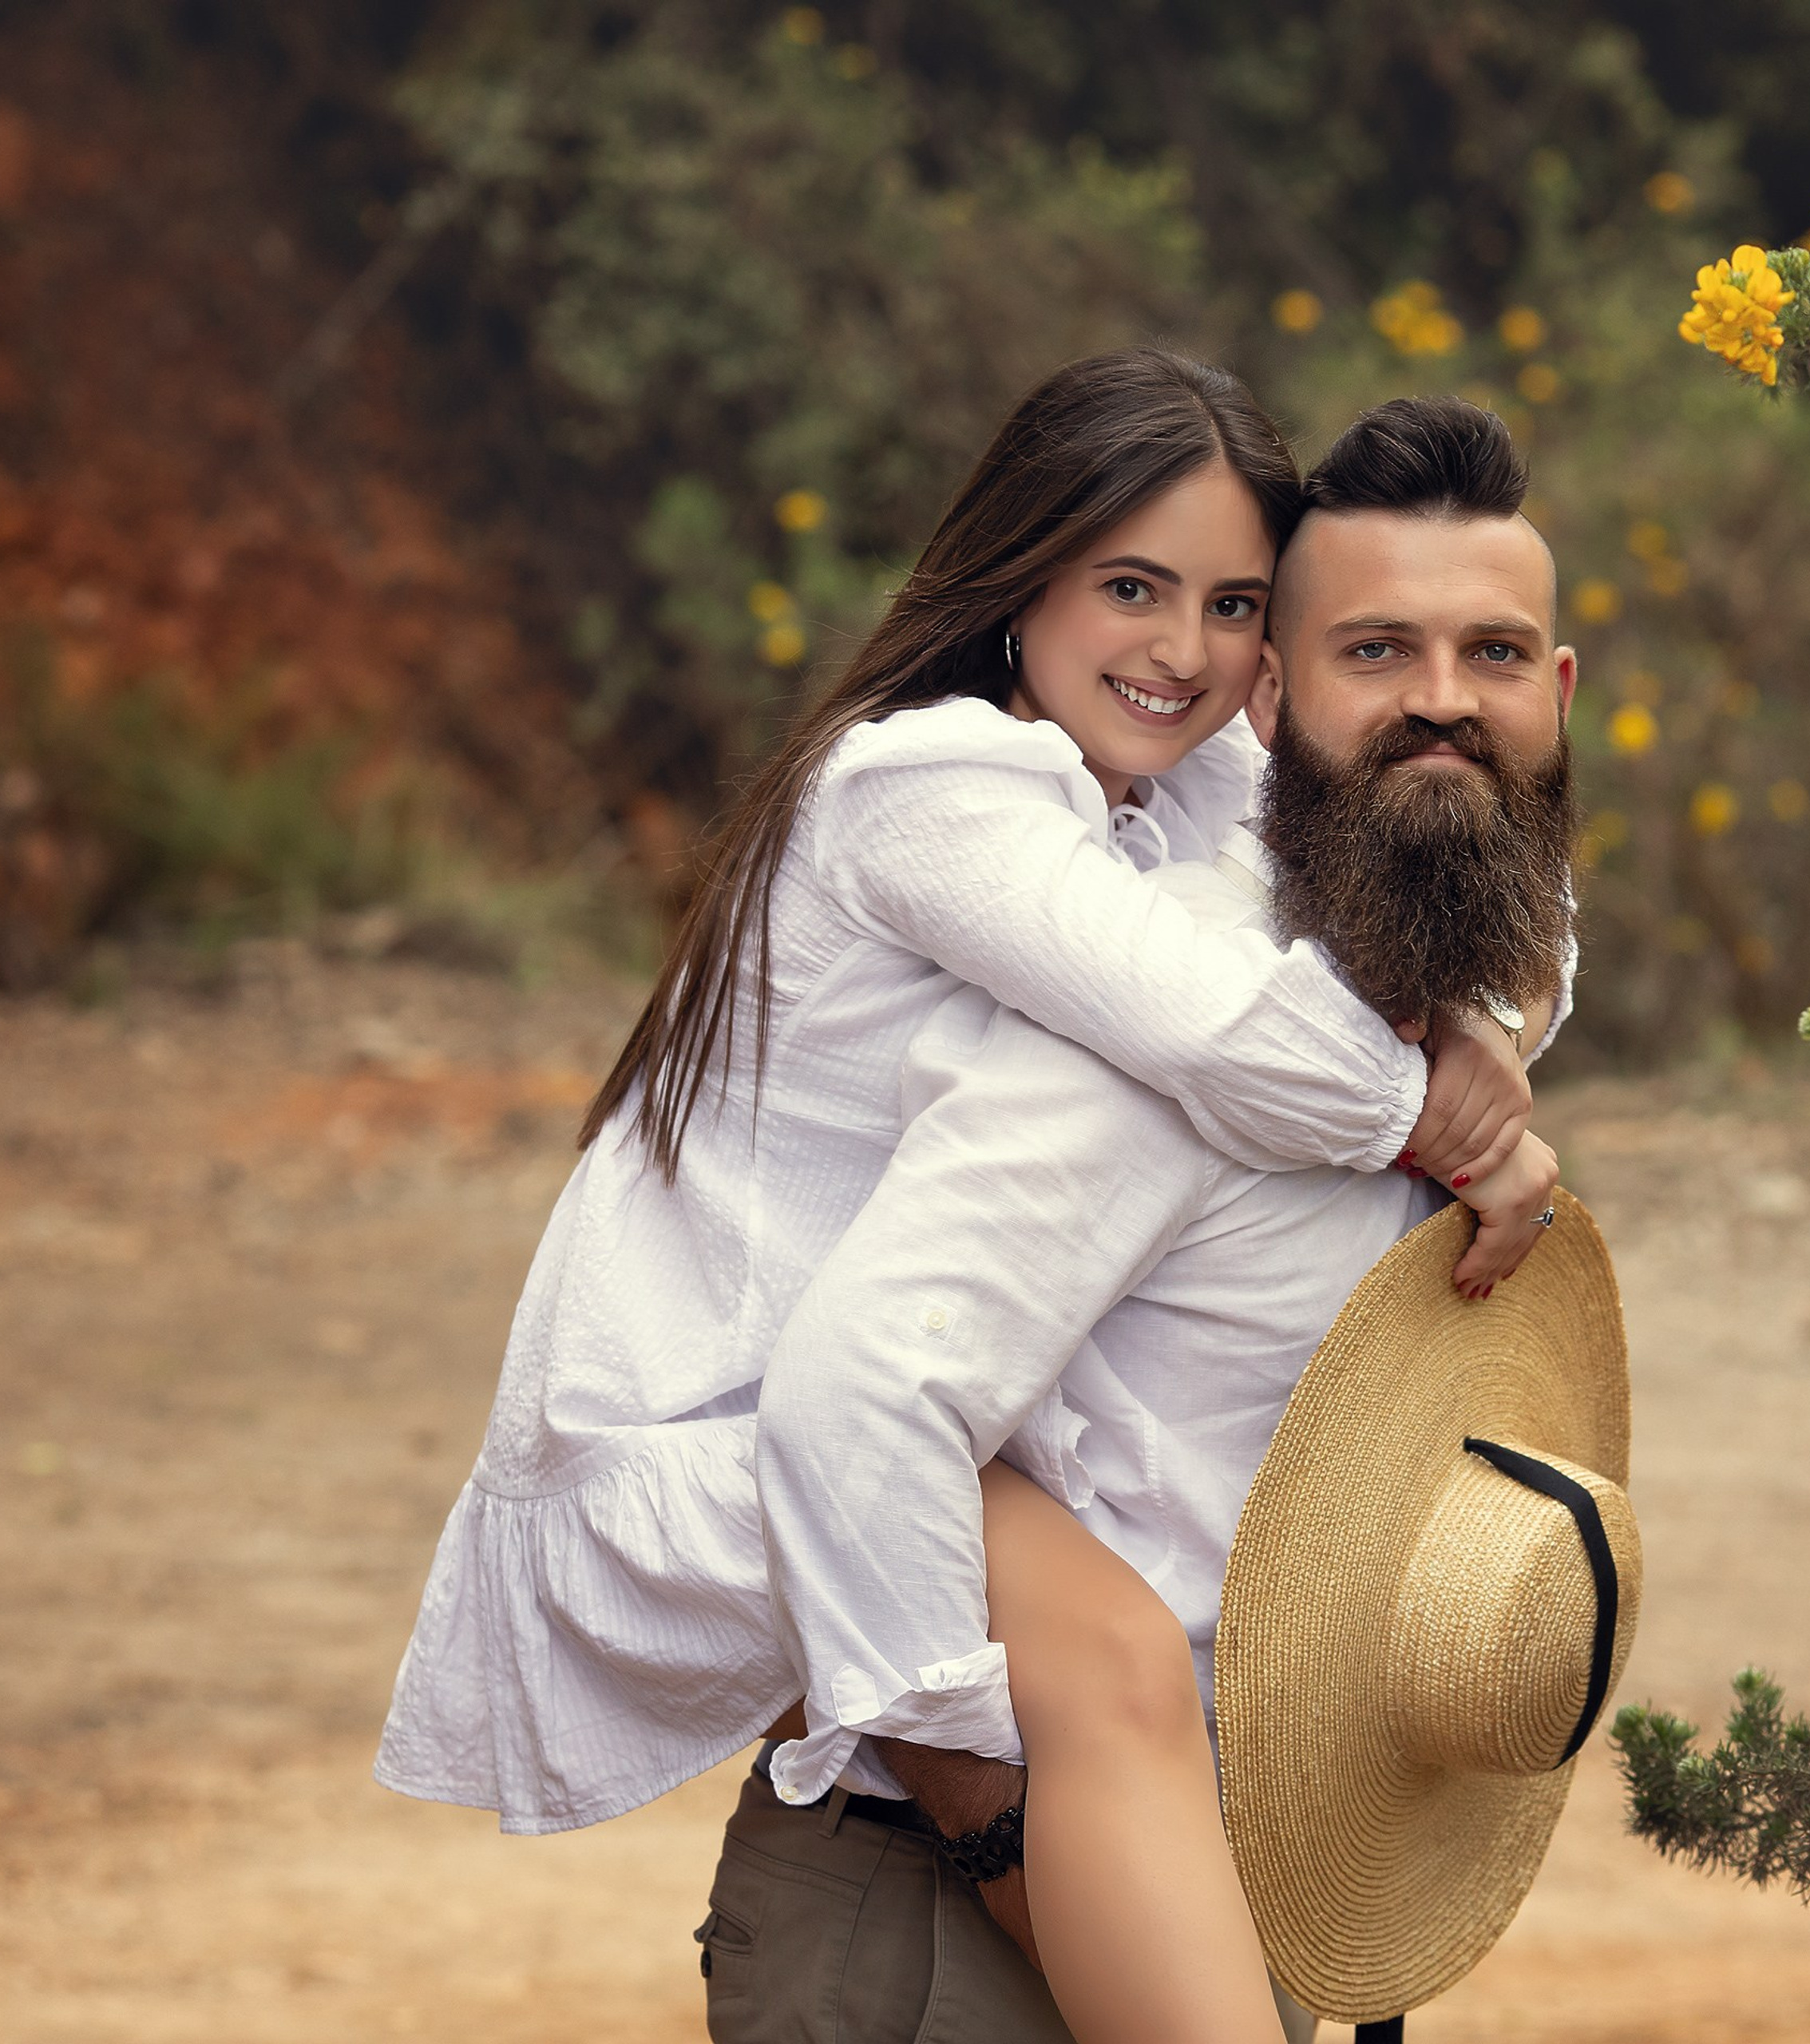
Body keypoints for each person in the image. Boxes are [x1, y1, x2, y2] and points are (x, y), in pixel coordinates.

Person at [374, 352, 1555, 1860]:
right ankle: (995, 1853)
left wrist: (1482, 1018)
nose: (1183, 651)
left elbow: (1464, 859)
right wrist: (1452, 1116)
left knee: (1120, 1676)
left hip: (898, 1395)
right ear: (1024, 574)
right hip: (727, 1430)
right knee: (1101, 1693)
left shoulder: (1173, 769)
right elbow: (1231, 1039)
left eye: (1234, 606)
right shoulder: (928, 784)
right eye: (1130, 589)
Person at [730, 394, 1577, 2044]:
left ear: (1556, 695)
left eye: (1489, 656)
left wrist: (1479, 1055)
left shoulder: (1424, 971)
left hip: (1236, 1876)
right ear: (1271, 701)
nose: (1439, 701)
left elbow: (1520, 909)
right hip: (973, 1921)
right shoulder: (1154, 1020)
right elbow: (856, 1395)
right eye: (1375, 651)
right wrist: (997, 1833)